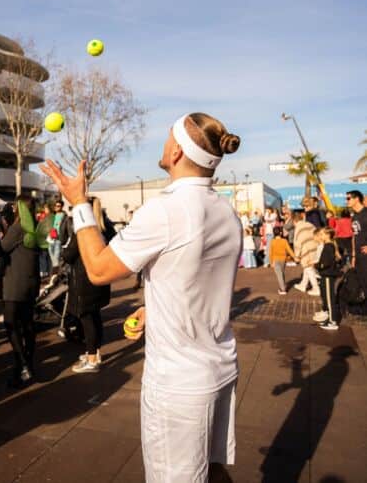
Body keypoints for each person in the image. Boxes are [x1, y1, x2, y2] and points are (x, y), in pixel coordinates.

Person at [41, 112, 242, 482]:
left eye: (167, 138)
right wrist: (154, 306)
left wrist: (79, 204)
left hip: (178, 386)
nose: (163, 145)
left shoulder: (165, 210)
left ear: (178, 152)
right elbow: (196, 277)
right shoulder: (226, 211)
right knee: (211, 472)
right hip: (220, 367)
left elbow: (99, 269)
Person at [62, 196, 115, 373]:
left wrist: (64, 247)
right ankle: (95, 352)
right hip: (101, 277)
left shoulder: (83, 232)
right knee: (95, 316)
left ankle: (92, 359)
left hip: (85, 280)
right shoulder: (106, 228)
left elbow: (68, 255)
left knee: (87, 318)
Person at [0, 194, 41, 387]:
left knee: (10, 323)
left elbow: (3, 247)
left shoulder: (18, 228)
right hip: (31, 280)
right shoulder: (35, 226)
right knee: (27, 324)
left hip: (16, 281)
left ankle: (22, 363)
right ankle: (27, 365)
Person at [312, 228, 342, 330]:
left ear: (327, 235)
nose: (321, 236)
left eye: (322, 234)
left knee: (330, 299)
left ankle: (333, 322)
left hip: (328, 274)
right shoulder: (328, 246)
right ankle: (329, 319)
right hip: (325, 274)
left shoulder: (329, 246)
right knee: (326, 297)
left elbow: (326, 262)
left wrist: (317, 265)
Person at [292, 211, 320, 295]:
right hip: (315, 247)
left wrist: (296, 256)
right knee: (307, 268)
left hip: (306, 249)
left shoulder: (298, 228)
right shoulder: (310, 224)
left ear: (294, 221)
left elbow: (297, 243)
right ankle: (303, 284)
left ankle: (316, 288)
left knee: (308, 267)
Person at [346, 190, 367, 296]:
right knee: (363, 283)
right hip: (358, 255)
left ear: (357, 199)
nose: (347, 201)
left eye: (349, 198)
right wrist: (353, 255)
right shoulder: (354, 216)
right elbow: (354, 235)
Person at [269, 226, 294, 294]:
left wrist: (271, 262)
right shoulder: (284, 241)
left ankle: (283, 289)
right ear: (280, 233)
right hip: (283, 259)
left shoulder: (272, 241)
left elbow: (271, 253)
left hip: (275, 259)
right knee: (281, 273)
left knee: (279, 274)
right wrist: (294, 257)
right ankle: (283, 285)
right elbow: (289, 250)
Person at [47, 199, 68, 278]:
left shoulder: (64, 217)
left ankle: (55, 275)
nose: (56, 207)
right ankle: (59, 273)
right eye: (55, 206)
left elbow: (68, 229)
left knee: (56, 257)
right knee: (52, 258)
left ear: (62, 207)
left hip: (59, 239)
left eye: (58, 206)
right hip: (51, 239)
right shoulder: (53, 215)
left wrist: (66, 241)